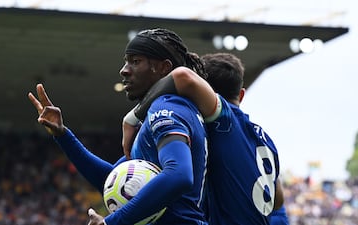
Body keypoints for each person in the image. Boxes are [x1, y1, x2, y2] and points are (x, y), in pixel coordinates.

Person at [28, 28, 209, 225]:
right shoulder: (163, 112)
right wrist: (63, 135)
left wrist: (111, 223)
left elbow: (179, 175)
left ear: (163, 68)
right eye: (126, 61)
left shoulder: (166, 108)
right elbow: (112, 180)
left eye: (135, 61)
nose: (124, 70)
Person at [122, 52, 287, 224]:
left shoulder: (225, 121)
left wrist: (133, 117)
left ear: (203, 91)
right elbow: (278, 200)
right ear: (241, 95)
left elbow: (183, 77)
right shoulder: (266, 140)